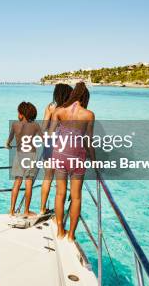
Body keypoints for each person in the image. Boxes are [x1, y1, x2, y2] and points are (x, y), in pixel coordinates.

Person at [51, 82, 95, 242]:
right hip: (77, 157)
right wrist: (95, 162)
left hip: (60, 154)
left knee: (60, 193)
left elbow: (50, 134)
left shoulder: (59, 111)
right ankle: (71, 235)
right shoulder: (89, 114)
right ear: (85, 97)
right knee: (76, 197)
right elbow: (88, 141)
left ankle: (60, 231)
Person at [39, 83, 73, 215]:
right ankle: (58, 213)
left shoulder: (50, 107)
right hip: (62, 146)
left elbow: (43, 128)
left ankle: (42, 209)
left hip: (49, 144)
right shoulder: (69, 108)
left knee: (47, 178)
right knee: (61, 182)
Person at [6, 102, 42, 217]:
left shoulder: (15, 125)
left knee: (17, 182)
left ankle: (11, 211)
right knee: (29, 183)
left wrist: (7, 144)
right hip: (31, 155)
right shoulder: (35, 125)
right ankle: (26, 211)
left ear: (21, 114)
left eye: (18, 112)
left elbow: (9, 140)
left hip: (19, 155)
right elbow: (43, 139)